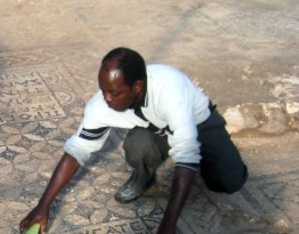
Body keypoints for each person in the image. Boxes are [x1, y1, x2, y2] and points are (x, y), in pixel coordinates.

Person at [19, 47, 248, 234]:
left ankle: (213, 162)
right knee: (137, 146)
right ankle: (144, 178)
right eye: (103, 90)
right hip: (156, 129)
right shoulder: (102, 104)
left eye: (115, 93)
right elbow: (77, 151)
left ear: (137, 87)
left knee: (228, 182)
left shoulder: (170, 90)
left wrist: (167, 225)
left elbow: (186, 155)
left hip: (200, 124)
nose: (106, 98)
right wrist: (43, 205)